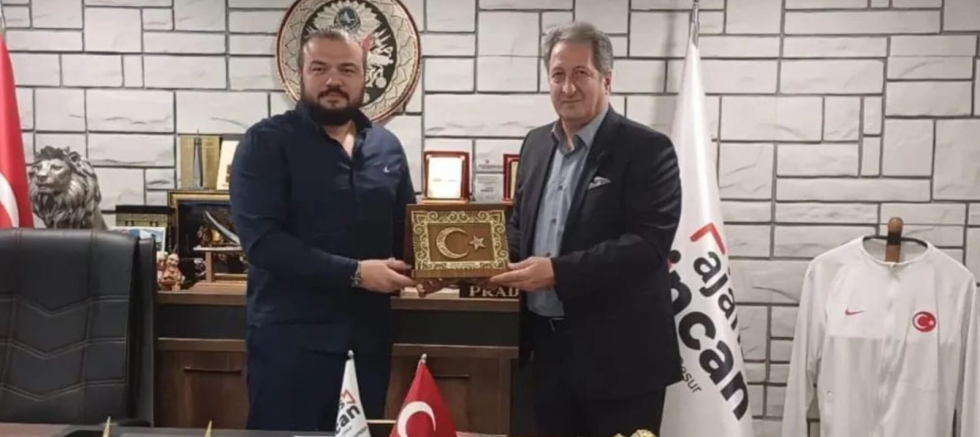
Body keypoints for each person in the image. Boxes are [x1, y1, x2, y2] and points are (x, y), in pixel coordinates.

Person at [489, 21, 684, 437]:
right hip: (545, 354)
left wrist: (557, 272)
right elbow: (520, 226)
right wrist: (472, 264)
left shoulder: (649, 150)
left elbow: (647, 245)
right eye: (557, 75)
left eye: (581, 73)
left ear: (607, 80)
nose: (567, 87)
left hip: (620, 362)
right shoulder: (535, 145)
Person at [229, 28, 419, 431]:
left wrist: (433, 268)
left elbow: (408, 233)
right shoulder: (265, 143)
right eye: (320, 68)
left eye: (347, 69)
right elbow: (263, 244)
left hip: (367, 346)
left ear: (365, 77)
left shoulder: (386, 147)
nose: (334, 80)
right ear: (300, 74)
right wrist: (356, 273)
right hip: (289, 347)